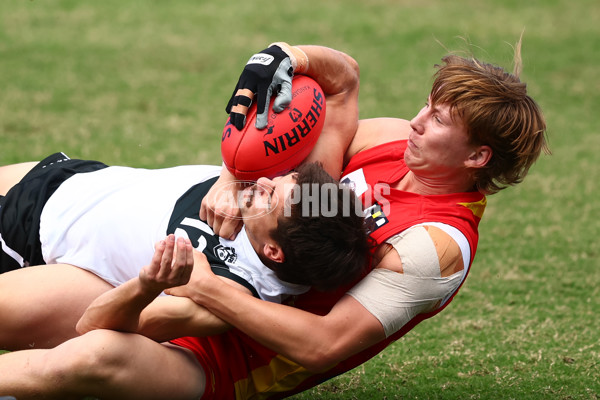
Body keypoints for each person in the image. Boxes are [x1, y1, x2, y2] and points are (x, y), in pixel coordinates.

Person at [0, 39, 548, 399]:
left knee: (92, 349)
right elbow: (334, 98)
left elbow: (323, 345)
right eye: (427, 104)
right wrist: (284, 57)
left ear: (477, 158)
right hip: (189, 280)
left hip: (226, 354)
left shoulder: (435, 244)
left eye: (439, 119)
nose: (417, 120)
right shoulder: (395, 143)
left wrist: (208, 291)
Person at [0, 153, 370, 350]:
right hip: (67, 177)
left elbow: (92, 327)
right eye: (280, 179)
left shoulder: (227, 294)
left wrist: (146, 285)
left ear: (273, 251)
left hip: (37, 241)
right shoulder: (277, 202)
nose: (262, 181)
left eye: (268, 195)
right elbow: (337, 84)